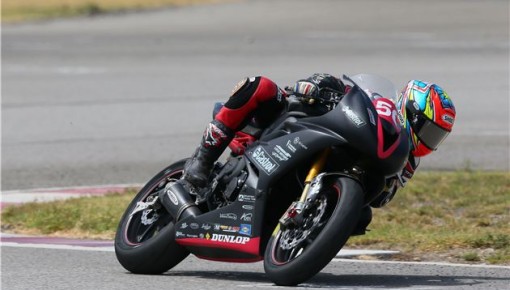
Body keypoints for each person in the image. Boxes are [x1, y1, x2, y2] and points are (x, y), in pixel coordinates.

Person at [180, 73, 456, 233]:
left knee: (361, 218)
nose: (430, 142)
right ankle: (203, 159)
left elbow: (380, 201)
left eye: (437, 138)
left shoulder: (406, 162)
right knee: (260, 85)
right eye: (430, 131)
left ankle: (302, 232)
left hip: (317, 178)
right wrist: (318, 85)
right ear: (411, 112)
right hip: (290, 124)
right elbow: (343, 89)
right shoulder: (379, 107)